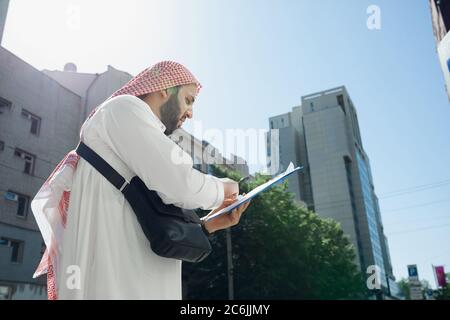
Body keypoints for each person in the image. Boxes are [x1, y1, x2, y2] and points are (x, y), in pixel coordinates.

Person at [31, 61, 251, 300]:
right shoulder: (124, 108)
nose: (190, 113)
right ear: (164, 89)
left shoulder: (134, 132)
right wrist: (226, 187)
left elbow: (148, 219)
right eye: (188, 100)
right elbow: (182, 185)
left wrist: (208, 224)